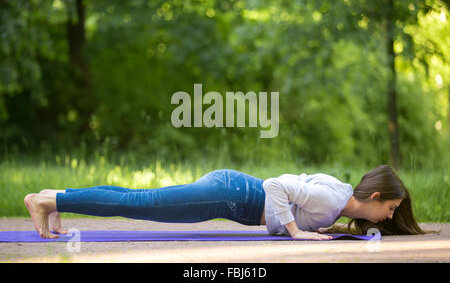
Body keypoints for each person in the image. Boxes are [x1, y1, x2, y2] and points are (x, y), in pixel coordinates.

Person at [24, 165, 435, 239]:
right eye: (392, 210)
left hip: (231, 194)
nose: (389, 216)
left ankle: (52, 198)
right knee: (141, 202)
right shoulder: (333, 197)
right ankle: (49, 200)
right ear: (377, 197)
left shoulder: (338, 201)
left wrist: (314, 228)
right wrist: (295, 233)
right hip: (231, 195)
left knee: (138, 200)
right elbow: (276, 185)